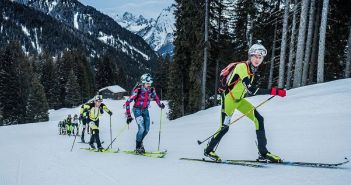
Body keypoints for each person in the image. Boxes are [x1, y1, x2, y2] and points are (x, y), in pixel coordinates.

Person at [204, 43, 286, 162]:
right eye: (255, 56)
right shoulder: (242, 67)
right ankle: (209, 150)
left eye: (260, 57)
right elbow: (251, 90)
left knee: (259, 119)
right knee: (224, 127)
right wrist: (274, 91)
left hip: (240, 101)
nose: (258, 60)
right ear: (250, 56)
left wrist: (275, 91)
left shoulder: (252, 69)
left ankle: (263, 153)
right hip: (229, 100)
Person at [124, 73, 165, 154]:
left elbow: (156, 98)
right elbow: (127, 102)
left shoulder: (152, 90)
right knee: (141, 129)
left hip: (145, 110)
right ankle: (138, 147)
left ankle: (140, 143)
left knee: (146, 130)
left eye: (150, 83)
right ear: (143, 83)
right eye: (147, 83)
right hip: (137, 111)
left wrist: (160, 104)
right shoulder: (138, 91)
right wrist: (129, 116)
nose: (149, 85)